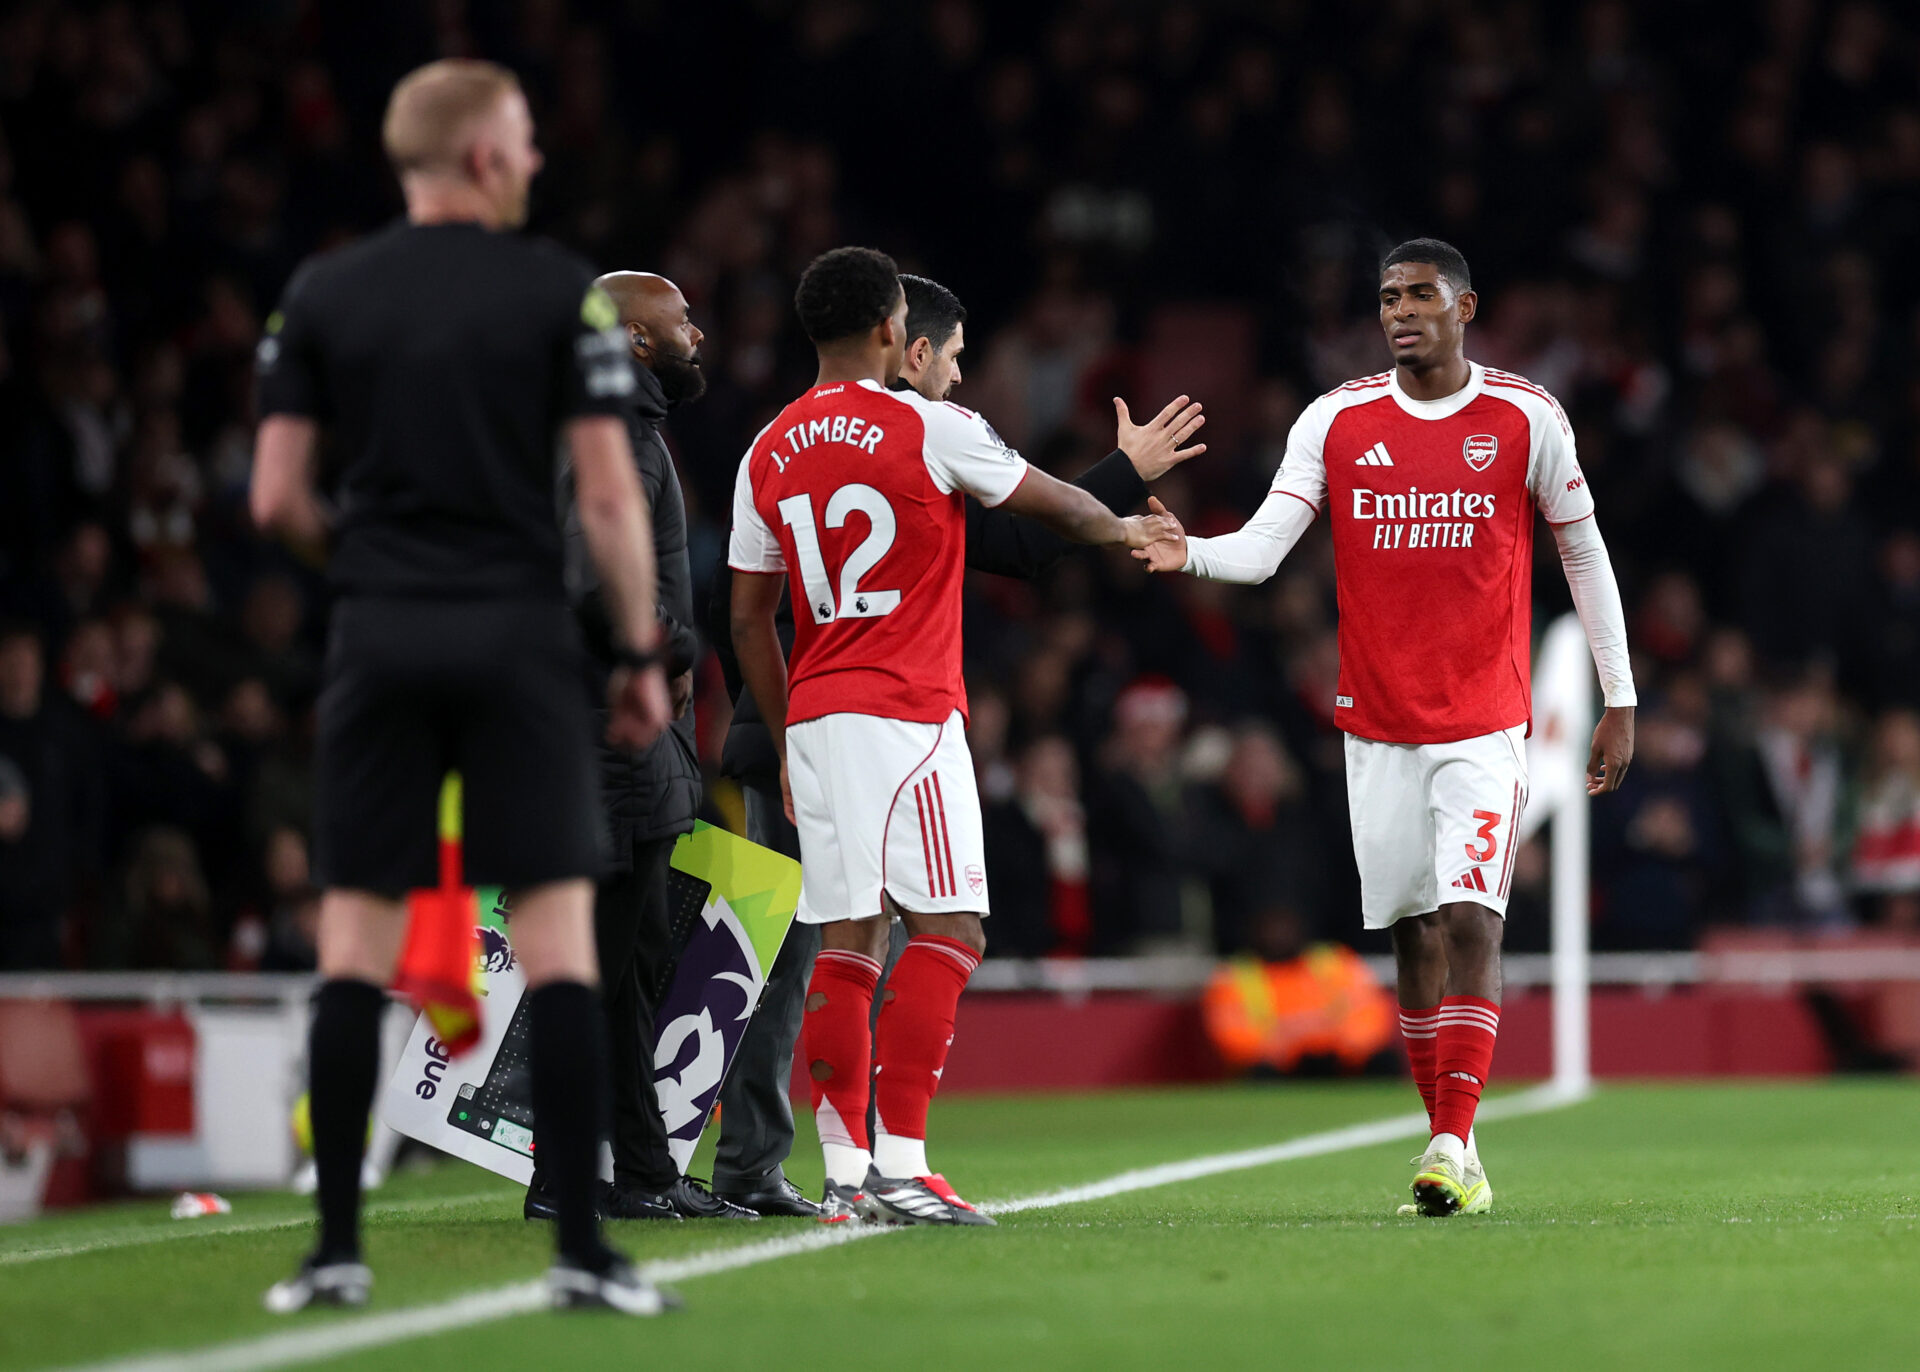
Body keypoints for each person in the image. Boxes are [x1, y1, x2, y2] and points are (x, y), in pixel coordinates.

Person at [249, 59, 674, 1314]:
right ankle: (583, 1253)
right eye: (526, 139)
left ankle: (334, 1251)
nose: (536, 159)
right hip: (519, 642)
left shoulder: (322, 293)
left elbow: (273, 498)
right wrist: (638, 655)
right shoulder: (559, 295)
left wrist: (367, 565)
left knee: (352, 944)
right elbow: (610, 499)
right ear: (486, 155)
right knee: (558, 943)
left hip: (377, 635)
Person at [1137, 238, 1637, 1218]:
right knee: (1413, 939)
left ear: (1465, 307)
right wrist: (1188, 550)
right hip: (1376, 729)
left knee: (1471, 918)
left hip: (1485, 723)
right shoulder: (1335, 419)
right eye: (1387, 298)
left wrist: (1617, 697)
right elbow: (1264, 549)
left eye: (1419, 295)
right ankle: (1458, 1147)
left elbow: (1584, 554)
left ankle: (1448, 1141)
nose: (1400, 312)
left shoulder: (1527, 417)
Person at [706, 269, 1203, 1216]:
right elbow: (1053, 509)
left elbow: (744, 620)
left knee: (848, 943)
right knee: (952, 930)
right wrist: (1124, 527)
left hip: (814, 716)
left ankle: (846, 1177)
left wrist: (787, 730)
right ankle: (902, 1163)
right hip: (908, 714)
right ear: (892, 331)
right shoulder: (929, 426)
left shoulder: (764, 449)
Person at [525, 270, 753, 1223]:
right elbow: (592, 575)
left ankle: (643, 1172)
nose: (697, 332)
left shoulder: (625, 427)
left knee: (628, 972)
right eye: (682, 318)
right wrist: (670, 648)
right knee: (600, 969)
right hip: (608, 736)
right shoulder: (610, 432)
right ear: (635, 338)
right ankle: (562, 1176)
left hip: (627, 740)